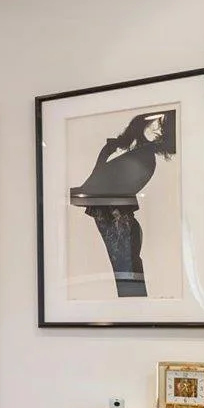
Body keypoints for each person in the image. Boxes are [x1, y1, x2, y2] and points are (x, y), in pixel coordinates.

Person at [69, 110, 174, 298]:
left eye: (161, 122)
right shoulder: (140, 157)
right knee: (127, 278)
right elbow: (91, 190)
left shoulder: (141, 159)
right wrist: (105, 154)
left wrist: (105, 154)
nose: (156, 126)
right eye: (153, 121)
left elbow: (91, 189)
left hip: (119, 225)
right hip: (118, 223)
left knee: (128, 279)